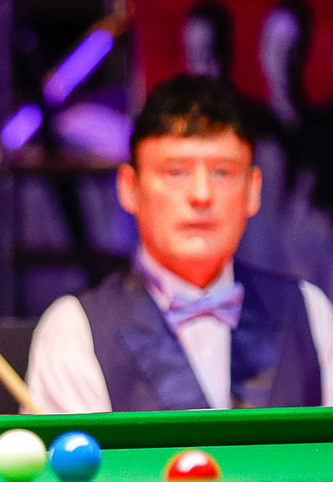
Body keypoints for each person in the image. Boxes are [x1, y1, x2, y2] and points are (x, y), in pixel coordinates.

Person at [25, 74, 333, 413]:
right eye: (176, 172)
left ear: (253, 189)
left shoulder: (309, 310)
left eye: (222, 172)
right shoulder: (75, 330)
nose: (201, 195)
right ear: (129, 187)